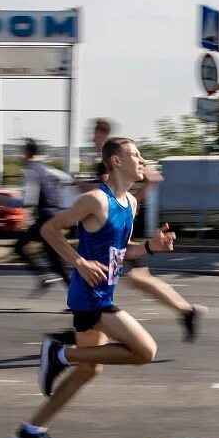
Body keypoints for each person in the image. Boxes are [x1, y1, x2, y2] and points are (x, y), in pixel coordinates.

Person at [9, 136, 177, 438]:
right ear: (116, 161)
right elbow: (49, 230)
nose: (142, 161)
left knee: (90, 369)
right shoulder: (95, 201)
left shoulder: (131, 203)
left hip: (103, 289)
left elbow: (121, 252)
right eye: (136, 155)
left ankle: (31, 430)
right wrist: (79, 262)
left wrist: (152, 247)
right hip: (90, 296)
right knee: (145, 351)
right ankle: (59, 354)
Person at [78, 117, 205, 342]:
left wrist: (131, 202)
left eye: (94, 133)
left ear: (101, 135)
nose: (91, 138)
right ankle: (185, 311)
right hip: (115, 225)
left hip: (117, 226)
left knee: (123, 275)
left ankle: (93, 326)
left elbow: (154, 178)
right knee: (136, 276)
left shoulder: (116, 158)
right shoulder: (112, 158)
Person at [13, 138, 71, 293]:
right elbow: (67, 179)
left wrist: (25, 218)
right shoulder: (47, 169)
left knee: (19, 247)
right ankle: (76, 297)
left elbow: (31, 195)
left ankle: (43, 276)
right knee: (55, 260)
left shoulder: (30, 170)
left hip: (45, 220)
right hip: (55, 218)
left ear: (26, 153)